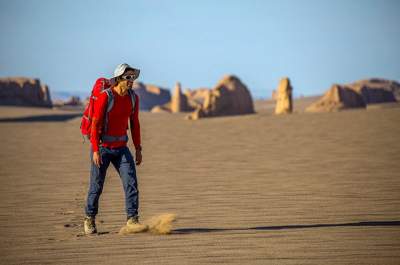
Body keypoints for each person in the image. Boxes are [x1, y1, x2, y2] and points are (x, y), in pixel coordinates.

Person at [84, 63, 143, 235]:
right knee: (96, 185)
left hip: (121, 148)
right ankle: (89, 218)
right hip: (102, 148)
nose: (132, 81)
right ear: (119, 79)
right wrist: (95, 149)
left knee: (131, 183)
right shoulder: (106, 97)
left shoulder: (133, 98)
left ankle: (132, 219)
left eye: (133, 77)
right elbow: (95, 124)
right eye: (128, 77)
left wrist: (138, 148)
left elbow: (135, 124)